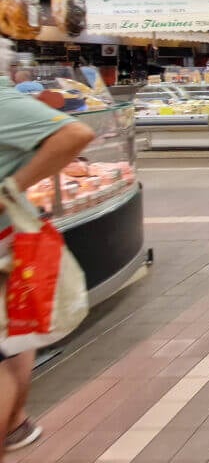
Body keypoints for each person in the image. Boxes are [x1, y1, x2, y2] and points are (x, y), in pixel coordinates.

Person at [0, 38, 95, 456]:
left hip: (7, 234)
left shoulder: (5, 101)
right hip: (10, 237)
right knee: (13, 340)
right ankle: (15, 424)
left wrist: (9, 189)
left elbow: (75, 132)